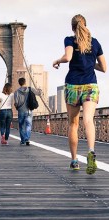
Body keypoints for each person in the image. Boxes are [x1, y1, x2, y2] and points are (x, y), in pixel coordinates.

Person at [53, 14, 106, 174]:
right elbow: (104, 68)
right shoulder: (95, 43)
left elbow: (68, 57)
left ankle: (75, 161)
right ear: (85, 24)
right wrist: (90, 64)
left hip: (73, 85)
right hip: (90, 85)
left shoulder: (69, 40)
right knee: (89, 120)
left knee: (73, 124)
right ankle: (91, 151)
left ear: (72, 27)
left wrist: (57, 60)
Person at [14, 77, 37, 146]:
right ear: (25, 82)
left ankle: (23, 140)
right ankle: (27, 139)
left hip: (21, 110)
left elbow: (16, 103)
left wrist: (17, 107)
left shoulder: (16, 92)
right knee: (28, 125)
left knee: (21, 126)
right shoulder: (30, 89)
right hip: (29, 110)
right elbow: (39, 93)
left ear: (19, 83)